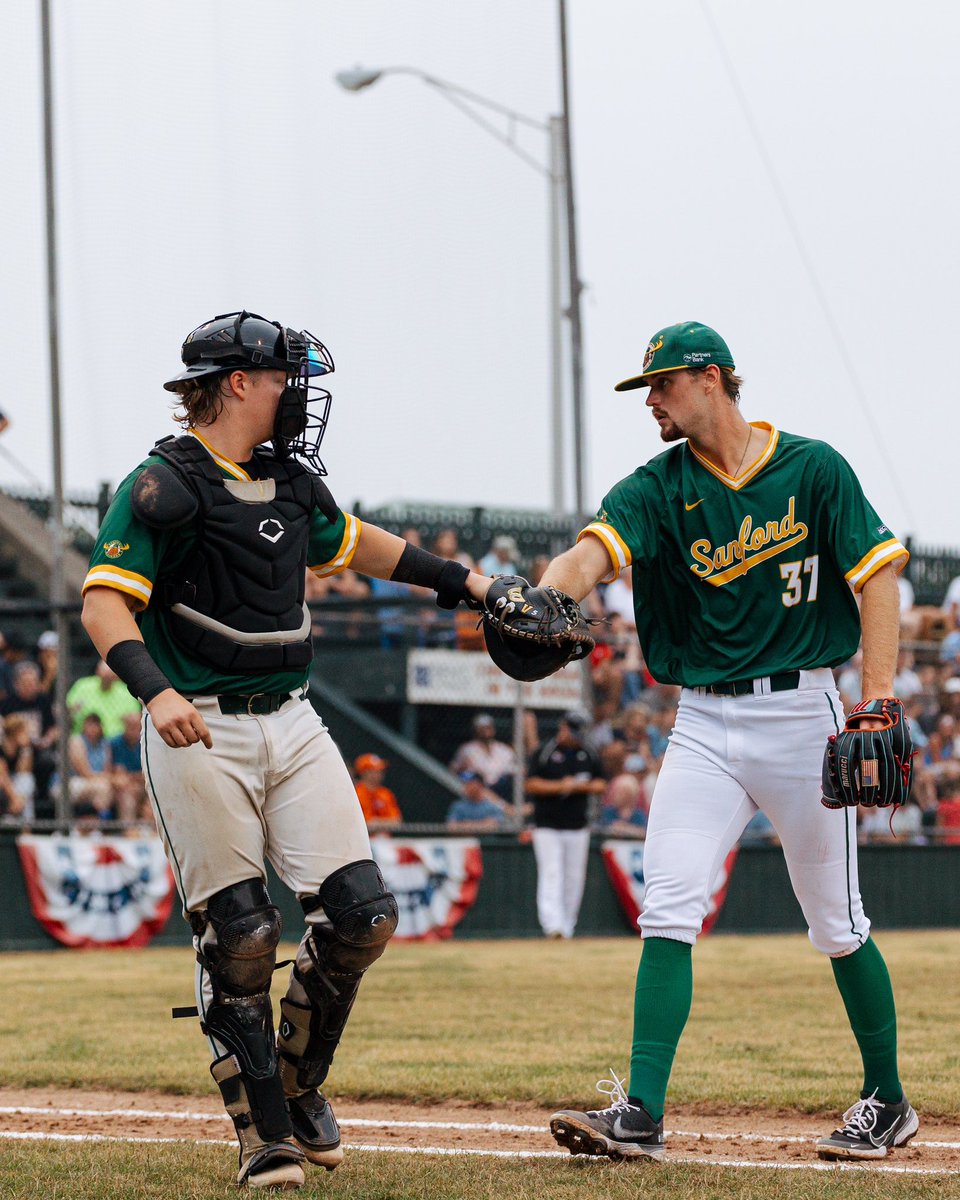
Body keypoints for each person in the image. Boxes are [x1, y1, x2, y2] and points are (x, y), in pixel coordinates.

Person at [79, 309, 491, 1190]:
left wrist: (476, 586)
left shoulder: (290, 482)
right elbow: (104, 606)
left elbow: (363, 549)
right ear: (238, 385)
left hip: (293, 718)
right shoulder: (162, 484)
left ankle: (299, 1085)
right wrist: (157, 692)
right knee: (240, 935)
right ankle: (263, 1130)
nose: (297, 396)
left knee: (362, 915)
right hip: (199, 722)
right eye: (283, 379)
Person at [542, 322, 917, 1163]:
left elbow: (878, 575)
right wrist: (542, 594)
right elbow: (590, 557)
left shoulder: (812, 468)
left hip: (802, 714)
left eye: (663, 385)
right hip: (704, 721)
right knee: (667, 904)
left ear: (710, 379)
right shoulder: (657, 485)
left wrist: (879, 698)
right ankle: (640, 1112)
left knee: (836, 922)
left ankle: (888, 1100)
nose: (652, 403)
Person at [525, 711, 605, 939]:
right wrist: (561, 786)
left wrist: (577, 787)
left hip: (577, 825)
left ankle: (568, 927)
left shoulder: (587, 752)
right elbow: (531, 784)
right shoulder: (545, 751)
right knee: (551, 873)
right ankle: (553, 926)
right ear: (563, 727)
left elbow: (600, 783)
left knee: (574, 877)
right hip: (547, 824)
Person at [450, 713, 516, 802]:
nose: (485, 731)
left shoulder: (504, 750)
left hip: (501, 788)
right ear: (476, 730)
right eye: (481, 728)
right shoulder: (467, 749)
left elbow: (514, 771)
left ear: (493, 729)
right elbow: (453, 770)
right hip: (478, 789)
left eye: (488, 727)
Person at [66, 659, 141, 737]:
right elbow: (68, 709)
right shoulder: (83, 686)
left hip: (116, 741)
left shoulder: (125, 692)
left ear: (116, 677)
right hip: (86, 739)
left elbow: (136, 717)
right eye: (104, 676)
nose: (106, 679)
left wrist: (130, 720)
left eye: (109, 677)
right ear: (97, 672)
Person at [109, 710, 147, 824]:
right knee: (127, 795)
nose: (133, 730)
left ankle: (151, 831)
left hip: (144, 784)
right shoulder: (116, 743)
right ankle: (129, 830)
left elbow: (147, 775)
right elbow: (118, 773)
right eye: (130, 726)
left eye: (136, 726)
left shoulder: (145, 741)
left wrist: (134, 777)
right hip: (125, 786)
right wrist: (135, 777)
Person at [353, 753, 403, 834]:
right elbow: (361, 824)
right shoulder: (355, 792)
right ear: (365, 772)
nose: (380, 774)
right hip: (361, 839)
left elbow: (396, 821)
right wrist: (381, 824)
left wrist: (376, 823)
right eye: (375, 771)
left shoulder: (385, 793)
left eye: (381, 771)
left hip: (383, 842)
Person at [445, 770, 509, 831]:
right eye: (465, 784)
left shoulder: (492, 806)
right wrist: (481, 824)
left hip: (486, 842)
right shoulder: (458, 806)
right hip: (463, 841)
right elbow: (452, 827)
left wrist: (465, 825)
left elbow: (492, 826)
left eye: (470, 784)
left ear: (480, 785)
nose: (466, 787)